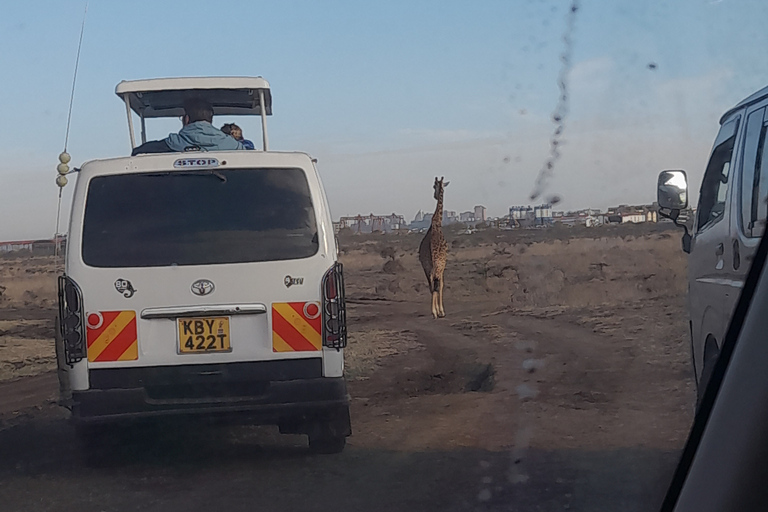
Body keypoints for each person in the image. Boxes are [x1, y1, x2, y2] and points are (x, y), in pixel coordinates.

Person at [131, 98, 245, 155]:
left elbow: (138, 152)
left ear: (186, 119)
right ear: (210, 120)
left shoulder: (172, 143)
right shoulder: (234, 146)